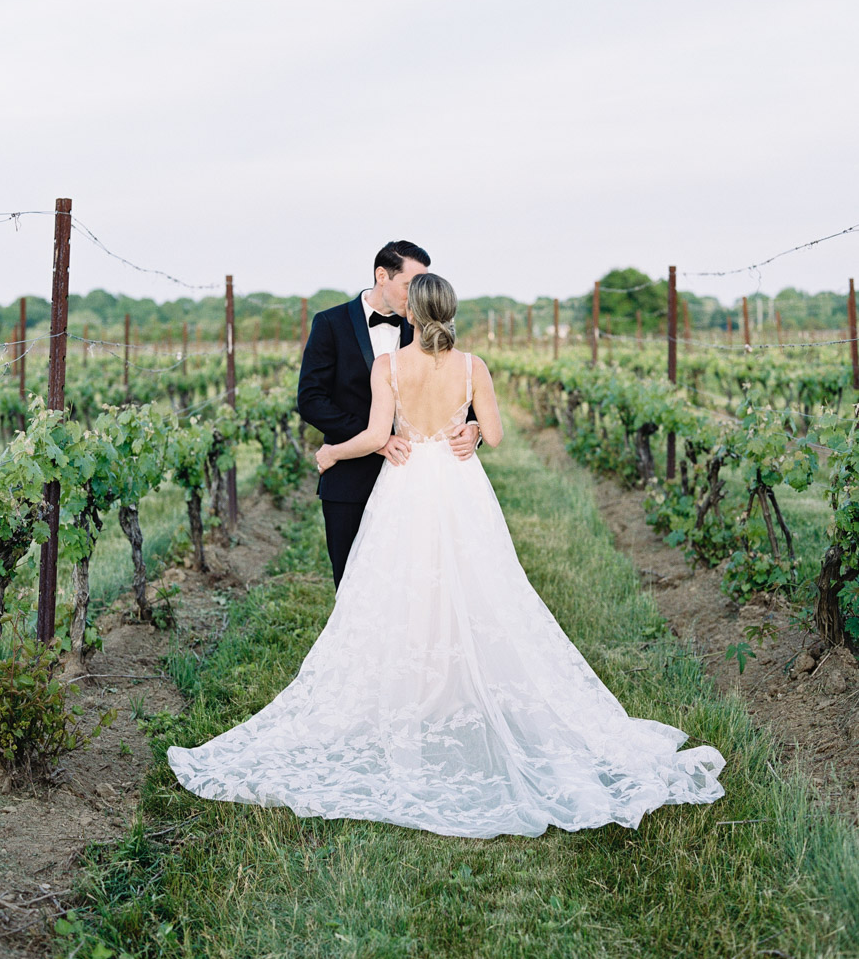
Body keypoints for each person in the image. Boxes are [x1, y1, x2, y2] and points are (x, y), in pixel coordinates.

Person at [168, 273, 725, 838]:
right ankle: (451, 689)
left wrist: (331, 452)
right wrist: (475, 428)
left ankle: (416, 694)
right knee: (477, 583)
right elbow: (501, 435)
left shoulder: (388, 368)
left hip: (406, 484)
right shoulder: (473, 366)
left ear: (411, 313)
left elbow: (374, 435)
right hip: (459, 485)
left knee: (402, 587)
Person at [297, 240, 479, 587]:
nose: (418, 297)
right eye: (411, 286)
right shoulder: (330, 324)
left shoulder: (427, 326)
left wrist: (473, 428)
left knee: (420, 585)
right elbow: (311, 399)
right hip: (350, 479)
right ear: (382, 275)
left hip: (420, 481)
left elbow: (464, 395)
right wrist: (376, 439)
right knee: (352, 585)